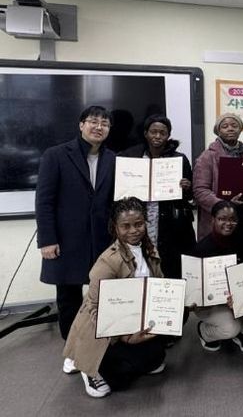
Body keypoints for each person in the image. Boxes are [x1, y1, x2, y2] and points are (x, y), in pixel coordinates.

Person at [35, 105, 116, 374]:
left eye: (104, 123)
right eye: (93, 121)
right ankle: (72, 351)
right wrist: (47, 240)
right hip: (67, 239)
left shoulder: (113, 159)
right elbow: (44, 201)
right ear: (81, 125)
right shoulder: (56, 155)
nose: (99, 127)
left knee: (103, 294)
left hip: (102, 238)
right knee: (69, 297)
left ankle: (101, 344)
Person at [63, 198, 166, 398]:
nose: (134, 230)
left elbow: (158, 285)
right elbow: (95, 309)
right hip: (103, 328)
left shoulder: (149, 249)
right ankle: (88, 367)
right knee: (119, 381)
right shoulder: (108, 261)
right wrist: (125, 337)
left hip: (132, 319)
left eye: (139, 224)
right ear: (115, 228)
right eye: (125, 226)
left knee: (156, 358)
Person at [119, 114, 196, 279]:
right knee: (142, 263)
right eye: (153, 132)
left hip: (169, 223)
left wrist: (186, 186)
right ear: (146, 133)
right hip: (141, 217)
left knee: (169, 265)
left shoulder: (179, 159)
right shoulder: (130, 156)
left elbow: (190, 195)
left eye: (163, 133)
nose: (158, 136)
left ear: (168, 135)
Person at [190, 201, 243, 354]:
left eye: (232, 219)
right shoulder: (201, 249)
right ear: (213, 220)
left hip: (235, 297)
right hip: (210, 303)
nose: (228, 223)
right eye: (222, 219)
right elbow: (193, 285)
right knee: (231, 328)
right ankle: (204, 331)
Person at [193, 112, 243, 254]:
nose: (230, 129)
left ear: (240, 129)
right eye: (225, 126)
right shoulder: (207, 156)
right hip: (220, 220)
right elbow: (200, 191)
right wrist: (224, 205)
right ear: (218, 131)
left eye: (234, 125)